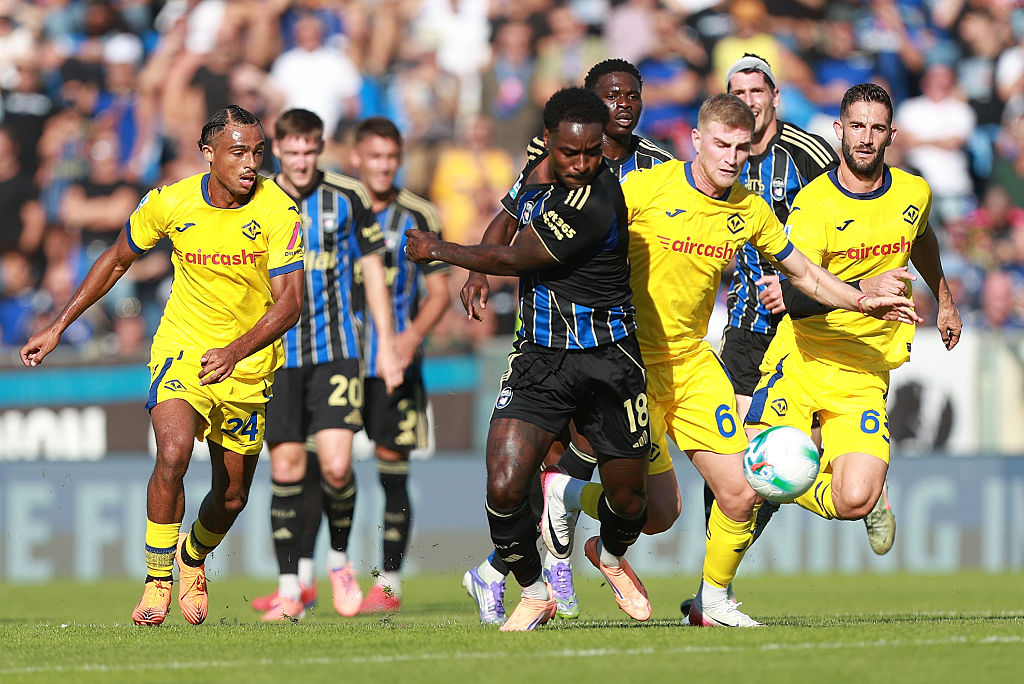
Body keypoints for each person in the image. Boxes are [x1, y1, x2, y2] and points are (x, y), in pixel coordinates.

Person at [539, 93, 919, 628]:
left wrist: (861, 299)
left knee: (741, 491)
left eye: (742, 148)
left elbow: (806, 275)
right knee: (656, 513)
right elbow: (574, 233)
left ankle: (713, 604)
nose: (731, 158)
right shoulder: (645, 188)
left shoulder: (749, 210)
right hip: (630, 365)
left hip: (693, 365)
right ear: (697, 140)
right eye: (721, 144)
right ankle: (568, 493)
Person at [20, 105, 305, 626]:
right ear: (208, 153)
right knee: (172, 453)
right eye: (238, 152)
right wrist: (58, 326)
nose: (250, 163)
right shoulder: (171, 202)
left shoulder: (278, 210)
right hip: (183, 349)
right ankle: (157, 580)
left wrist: (235, 352)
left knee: (232, 496)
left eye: (258, 152)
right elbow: (116, 259)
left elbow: (289, 304)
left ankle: (192, 557)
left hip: (246, 364)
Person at [406, 87, 652, 631]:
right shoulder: (541, 166)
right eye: (570, 153)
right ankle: (534, 589)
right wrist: (478, 269)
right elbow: (507, 216)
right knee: (503, 485)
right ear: (548, 141)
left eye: (591, 153)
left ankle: (608, 552)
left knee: (633, 501)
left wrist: (439, 249)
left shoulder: (595, 199)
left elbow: (519, 255)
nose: (582, 164)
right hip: (540, 358)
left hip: (608, 359)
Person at [459, 58, 675, 626]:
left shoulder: (659, 168)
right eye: (609, 96)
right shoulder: (547, 154)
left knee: (651, 508)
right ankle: (546, 582)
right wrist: (478, 269)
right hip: (545, 348)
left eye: (631, 95)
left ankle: (516, 568)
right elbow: (510, 217)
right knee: (528, 475)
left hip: (620, 345)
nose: (621, 105)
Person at [744, 85, 962, 571]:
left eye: (876, 128)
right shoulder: (813, 204)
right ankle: (712, 593)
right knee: (753, 480)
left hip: (864, 370)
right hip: (804, 361)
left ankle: (829, 488)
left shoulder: (914, 192)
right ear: (839, 130)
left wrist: (945, 300)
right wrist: (865, 288)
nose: (865, 138)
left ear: (891, 135)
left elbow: (921, 238)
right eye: (857, 126)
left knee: (855, 499)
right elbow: (795, 299)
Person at [252, 108, 402, 623]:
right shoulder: (257, 199)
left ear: (319, 148)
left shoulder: (347, 196)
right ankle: (289, 590)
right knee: (287, 469)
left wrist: (387, 344)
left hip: (336, 351)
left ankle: (338, 562)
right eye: (291, 151)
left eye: (308, 151)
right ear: (277, 149)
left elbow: (373, 271)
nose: (300, 161)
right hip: (276, 357)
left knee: (337, 467)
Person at [347, 116, 451, 612]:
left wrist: (410, 338)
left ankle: (389, 583)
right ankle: (305, 581)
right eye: (375, 157)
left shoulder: (420, 213)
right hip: (339, 361)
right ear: (357, 158)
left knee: (393, 473)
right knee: (322, 469)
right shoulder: (333, 208)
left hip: (396, 365)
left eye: (391, 157)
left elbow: (439, 293)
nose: (384, 166)